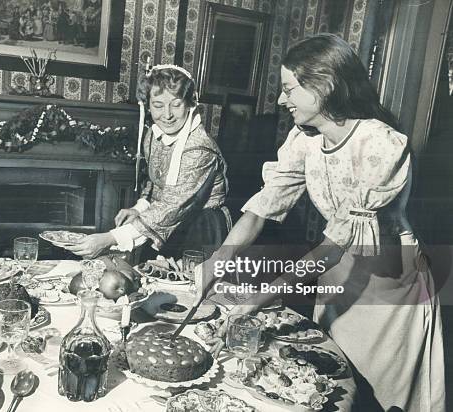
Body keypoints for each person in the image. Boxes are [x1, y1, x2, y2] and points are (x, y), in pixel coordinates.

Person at [196, 34, 445, 411]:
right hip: (337, 277)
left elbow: (337, 242)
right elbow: (262, 207)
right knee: (329, 382)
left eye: (289, 89)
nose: (281, 101)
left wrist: (259, 297)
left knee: (379, 398)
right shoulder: (304, 139)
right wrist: (218, 261)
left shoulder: (380, 144)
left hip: (388, 287)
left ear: (324, 86)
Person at [67, 65, 231, 261]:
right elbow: (155, 179)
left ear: (190, 104)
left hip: (200, 230)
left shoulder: (199, 149)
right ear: (148, 104)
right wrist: (139, 207)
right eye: (158, 105)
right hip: (164, 223)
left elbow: (173, 205)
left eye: (176, 104)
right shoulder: (154, 134)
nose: (167, 114)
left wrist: (110, 238)